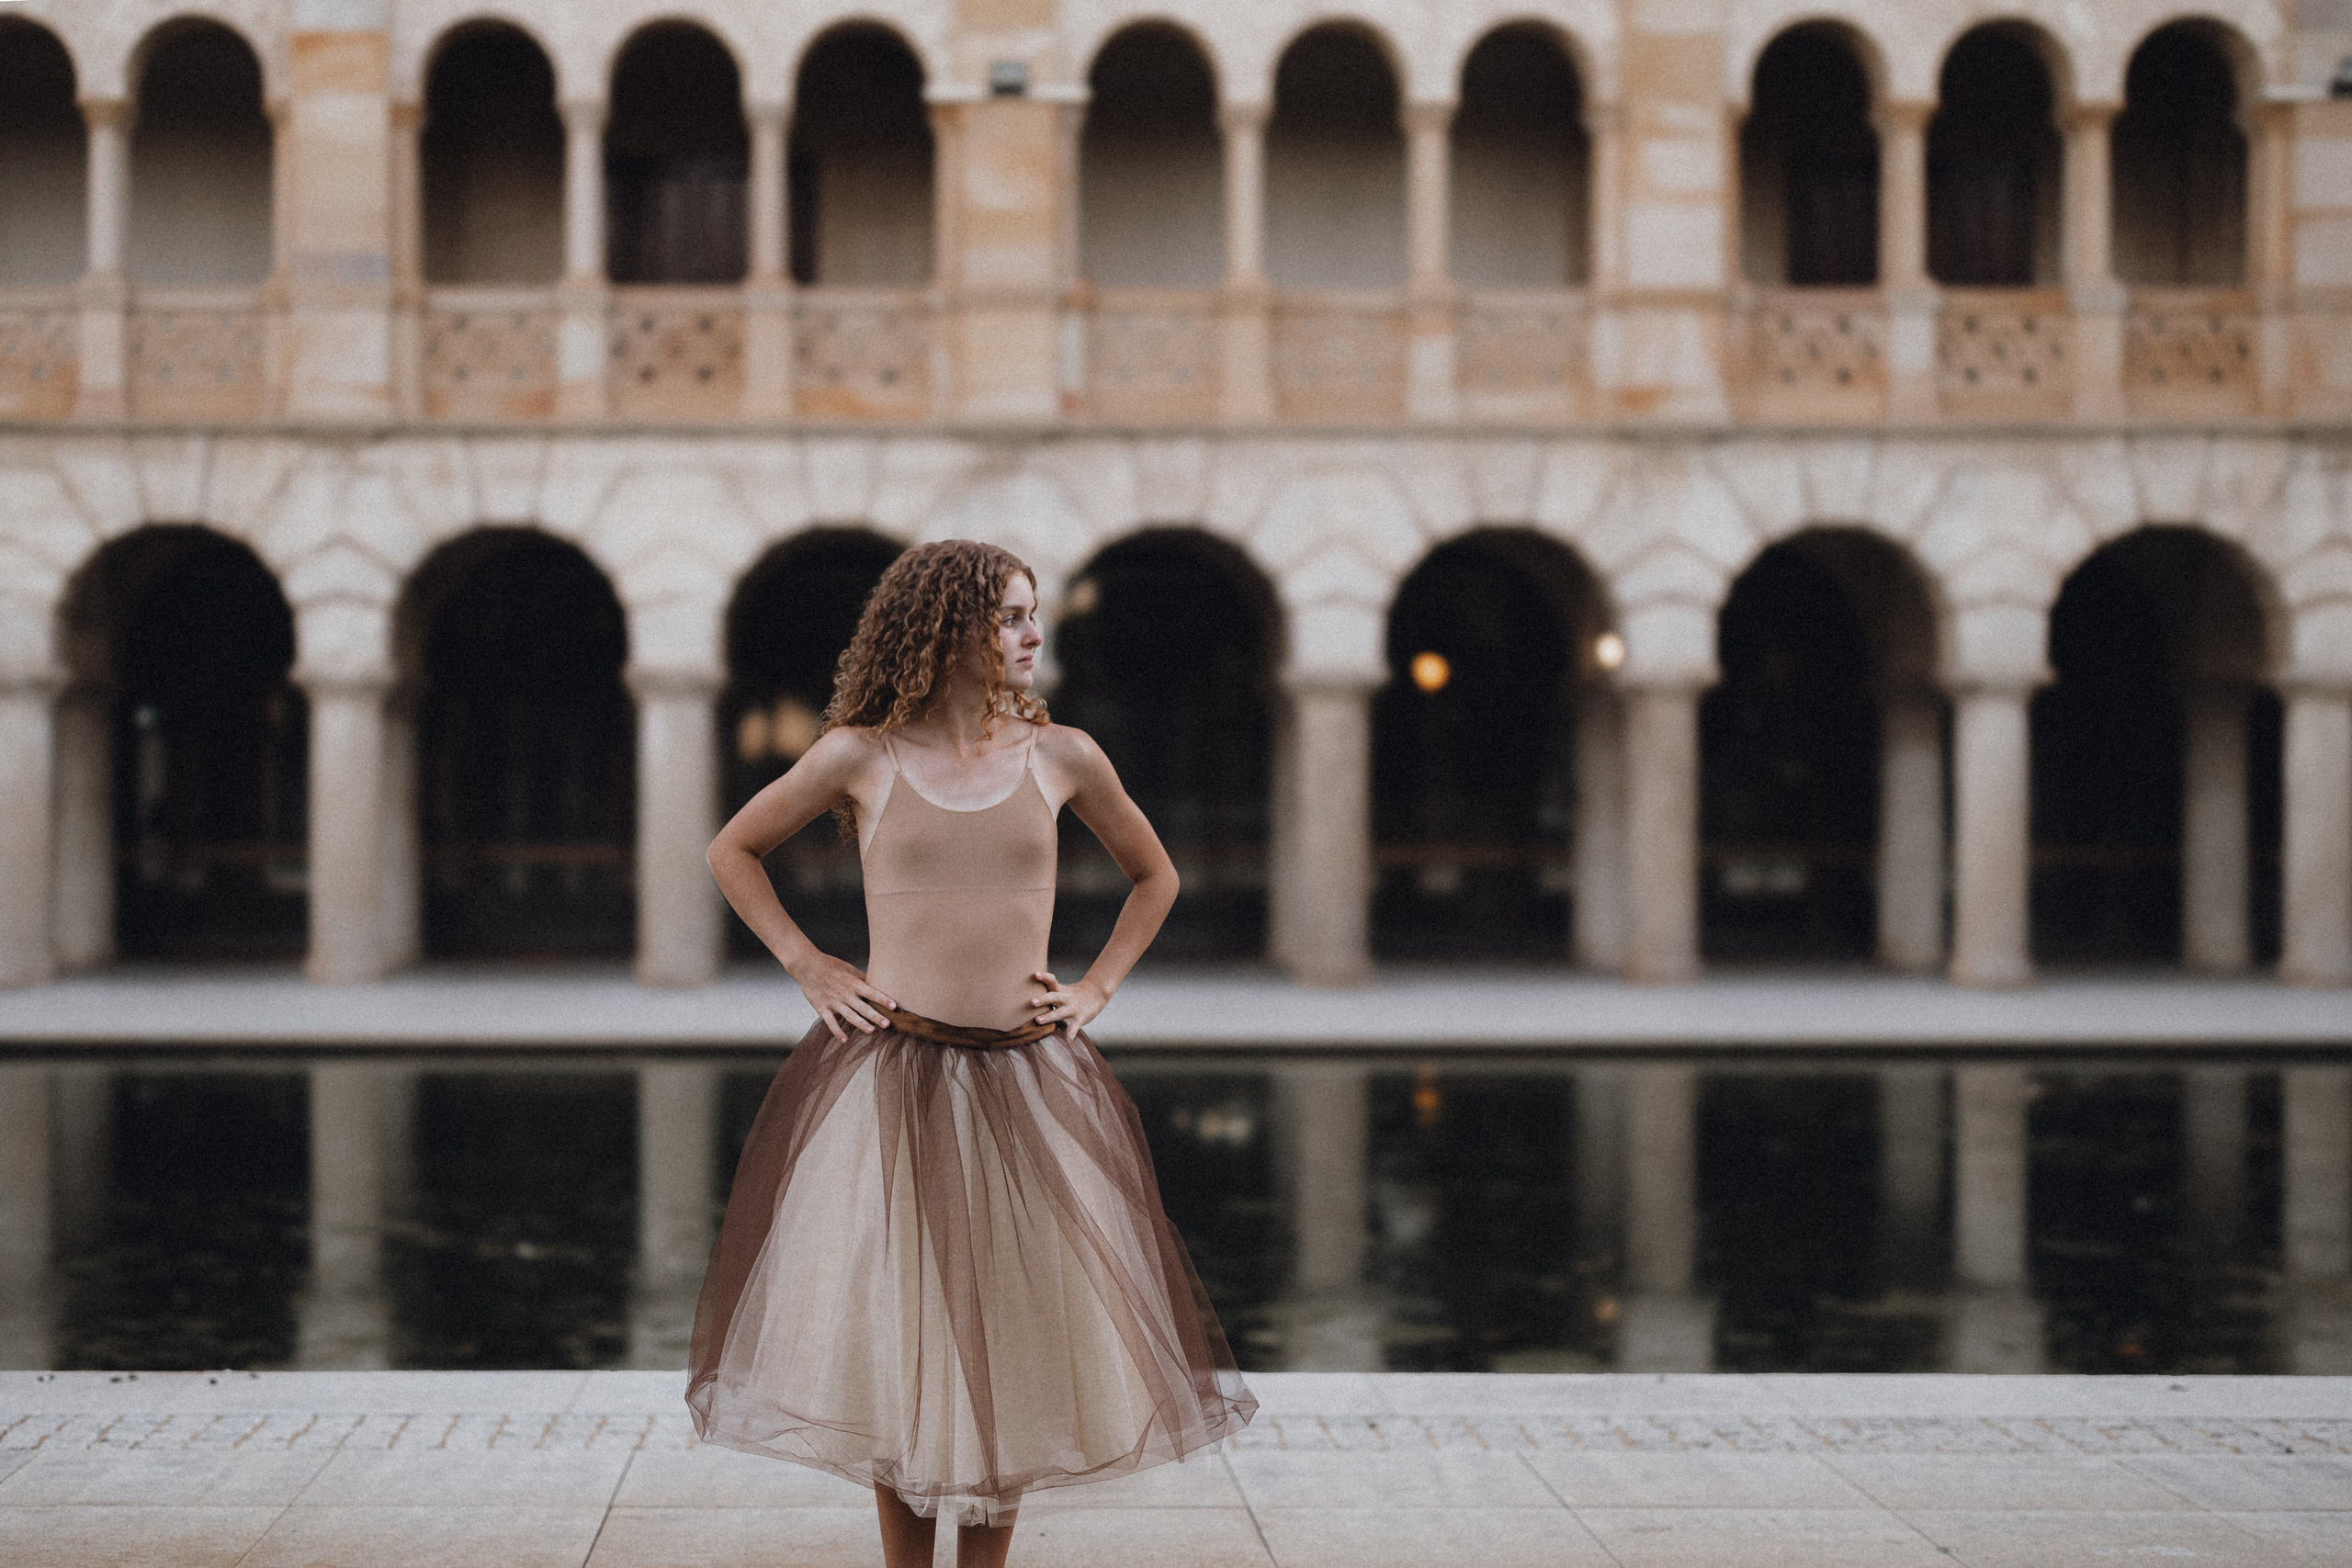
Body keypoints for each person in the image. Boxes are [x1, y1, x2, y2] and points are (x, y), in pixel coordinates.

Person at [689, 539, 1255, 1567]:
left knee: (1011, 1344)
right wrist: (810, 964)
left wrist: (1094, 987)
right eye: (1008, 617)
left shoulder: (1064, 755)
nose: (1031, 634)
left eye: (1033, 614)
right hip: (893, 1082)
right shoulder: (858, 755)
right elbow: (733, 848)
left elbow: (1152, 877)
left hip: (1028, 1082)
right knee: (899, 1346)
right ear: (944, 628)